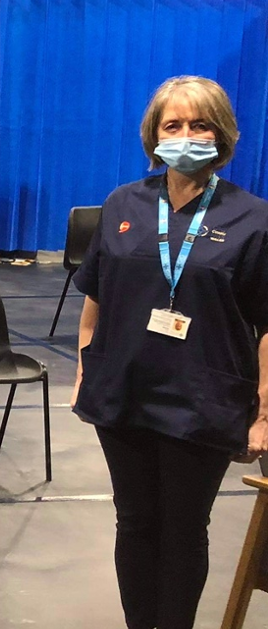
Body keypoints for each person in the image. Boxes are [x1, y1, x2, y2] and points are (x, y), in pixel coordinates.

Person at [71, 75, 268, 629]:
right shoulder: (123, 203)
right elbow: (97, 294)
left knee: (183, 529)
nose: (185, 136)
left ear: (222, 134)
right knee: (133, 523)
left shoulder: (253, 217)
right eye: (172, 125)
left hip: (202, 399)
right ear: (154, 135)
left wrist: (263, 412)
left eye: (199, 124)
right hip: (125, 392)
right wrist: (87, 364)